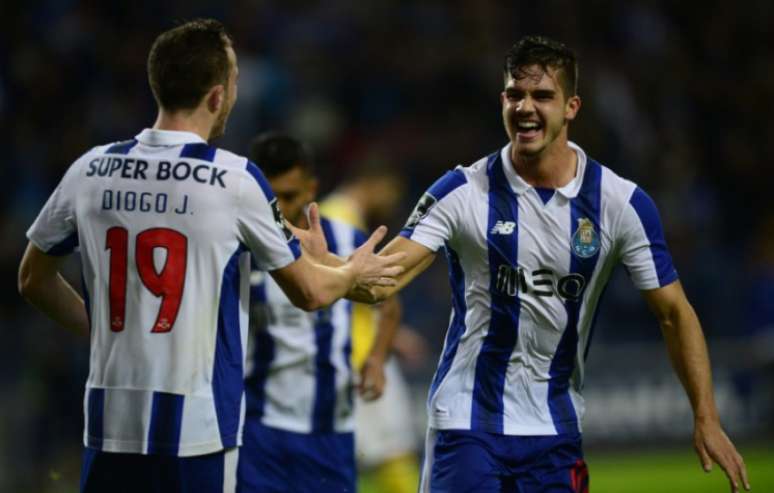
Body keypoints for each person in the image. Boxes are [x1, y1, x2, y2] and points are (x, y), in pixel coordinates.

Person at [299, 35, 751, 493]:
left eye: (542, 96)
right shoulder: (461, 192)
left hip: (555, 432)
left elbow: (674, 313)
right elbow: (380, 282)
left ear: (571, 107)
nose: (526, 107)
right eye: (515, 94)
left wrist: (706, 416)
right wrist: (321, 263)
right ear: (502, 100)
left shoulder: (621, 204)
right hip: (467, 423)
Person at [16, 19, 403, 493]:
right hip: (197, 431)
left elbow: (32, 278)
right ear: (218, 96)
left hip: (108, 423)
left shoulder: (91, 169)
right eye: (235, 80)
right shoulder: (234, 180)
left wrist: (98, 330)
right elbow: (309, 292)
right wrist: (352, 272)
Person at [236, 132, 400, 492]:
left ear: (311, 188)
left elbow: (388, 302)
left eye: (290, 195)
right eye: (270, 196)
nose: (279, 207)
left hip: (329, 427)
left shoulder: (346, 240)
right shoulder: (238, 248)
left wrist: (376, 359)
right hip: (257, 427)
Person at [320, 166, 423, 492]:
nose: (392, 203)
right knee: (393, 450)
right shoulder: (340, 217)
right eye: (390, 191)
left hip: (348, 349)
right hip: (362, 352)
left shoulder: (335, 213)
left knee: (355, 452)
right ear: (372, 182)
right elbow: (352, 284)